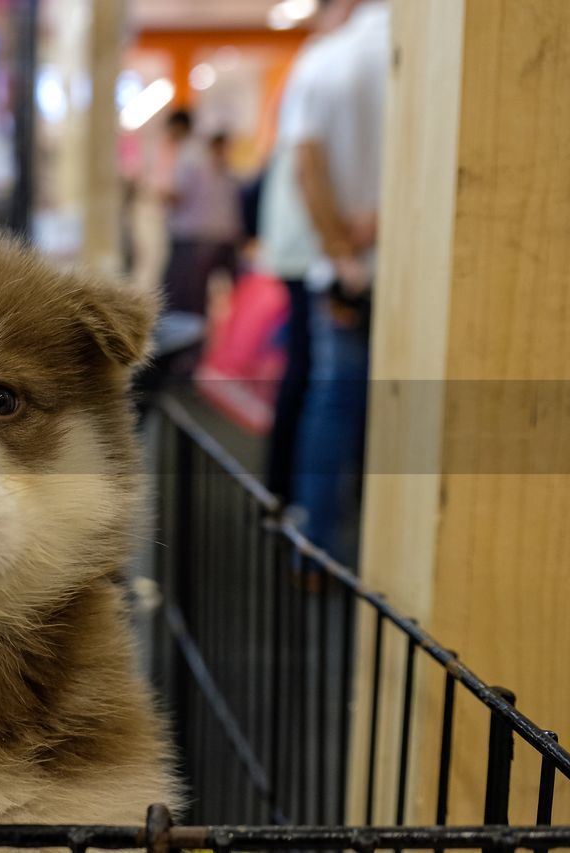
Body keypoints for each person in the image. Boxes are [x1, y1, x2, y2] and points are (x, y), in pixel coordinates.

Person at [289, 0, 389, 564]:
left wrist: (339, 250)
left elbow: (307, 163)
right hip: (413, 270)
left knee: (333, 404)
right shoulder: (424, 53)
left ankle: (315, 553)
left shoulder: (324, 59)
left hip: (345, 274)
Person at [259, 0, 356, 502]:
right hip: (312, 249)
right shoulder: (323, 59)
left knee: (308, 374)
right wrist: (340, 241)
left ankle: (284, 493)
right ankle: (289, 498)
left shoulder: (315, 62)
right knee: (317, 380)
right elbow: (306, 168)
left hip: (304, 247)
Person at [161, 116, 242, 321]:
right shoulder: (217, 159)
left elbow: (179, 195)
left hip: (193, 237)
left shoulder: (190, 155)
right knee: (201, 300)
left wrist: (153, 193)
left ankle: (188, 348)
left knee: (185, 300)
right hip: (221, 236)